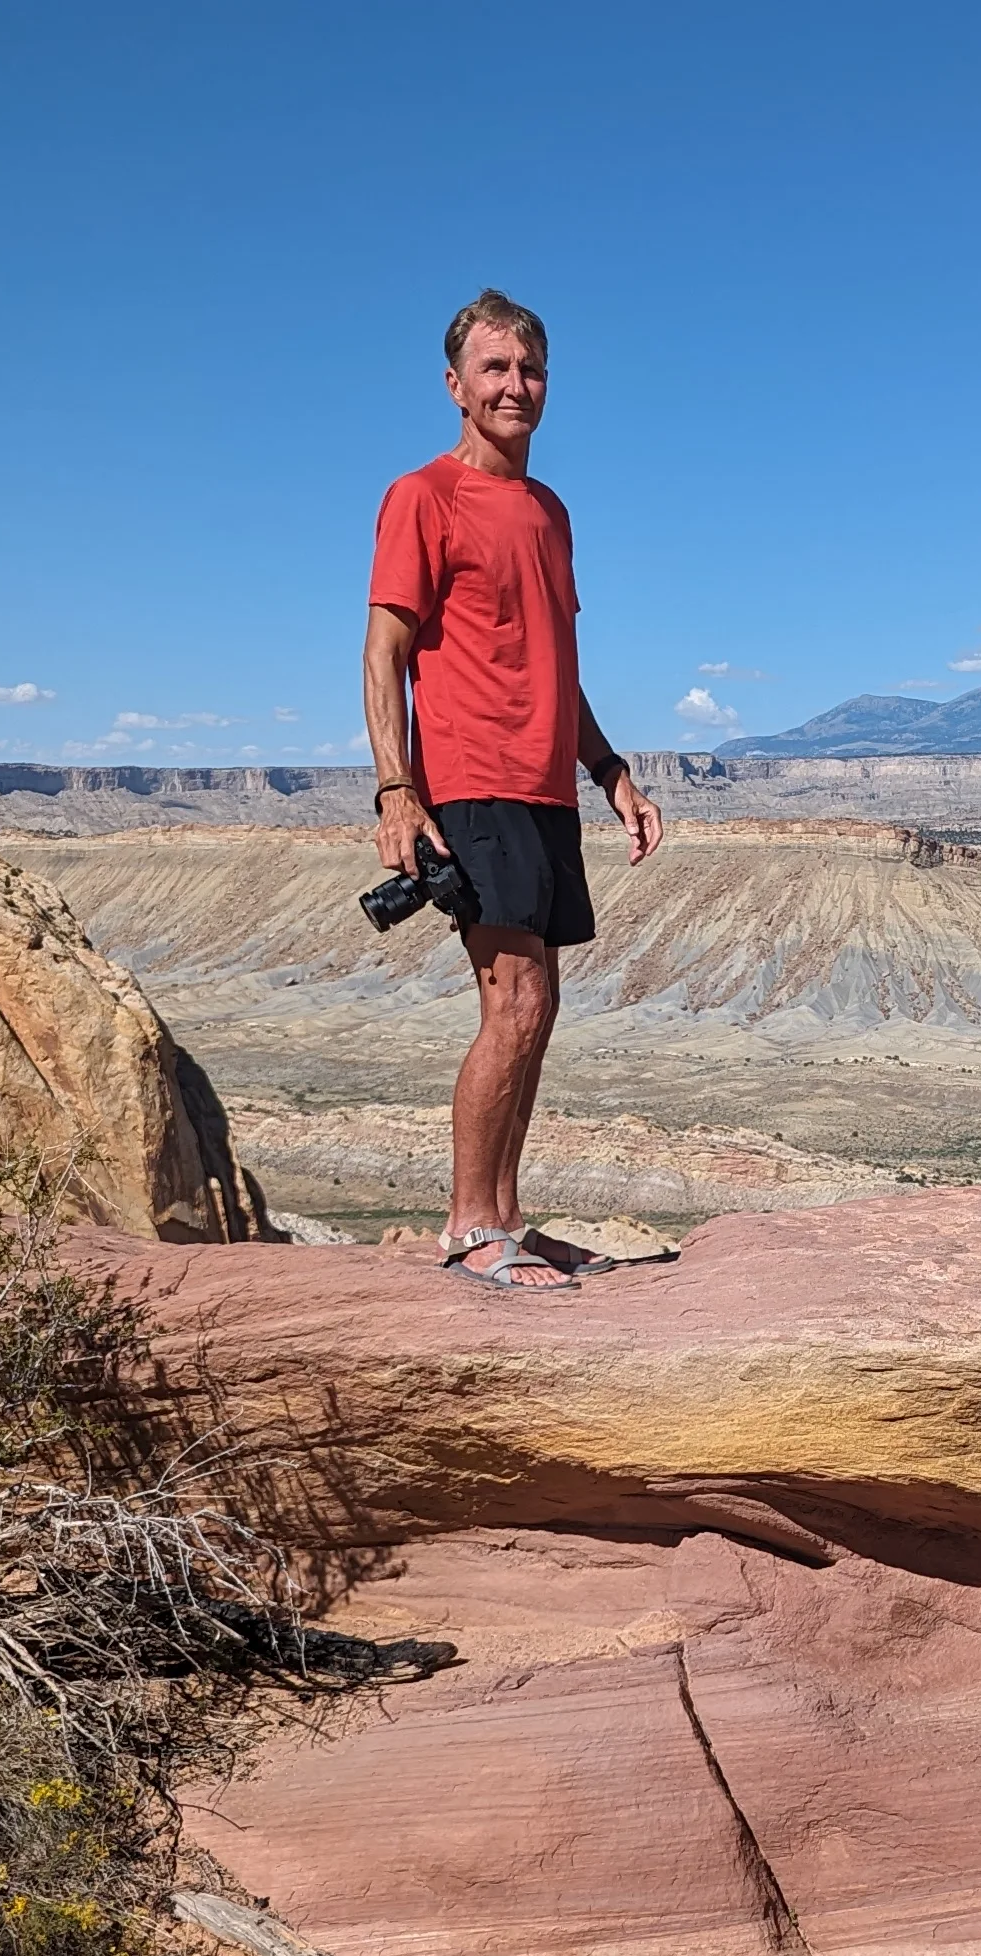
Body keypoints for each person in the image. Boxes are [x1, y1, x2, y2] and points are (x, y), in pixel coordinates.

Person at [365, 288, 667, 1291]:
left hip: (543, 787)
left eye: (529, 370)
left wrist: (610, 771)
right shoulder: (423, 496)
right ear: (455, 385)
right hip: (471, 778)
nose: (515, 387)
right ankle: (467, 1227)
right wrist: (395, 790)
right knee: (516, 1001)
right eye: (494, 369)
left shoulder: (549, 513)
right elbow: (385, 650)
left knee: (541, 1004)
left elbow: (554, 660)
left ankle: (504, 1216)